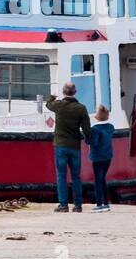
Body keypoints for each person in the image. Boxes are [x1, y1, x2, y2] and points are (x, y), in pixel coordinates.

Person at [45, 82, 92, 213]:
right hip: (75, 146)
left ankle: (63, 205)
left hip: (60, 145)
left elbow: (48, 105)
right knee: (76, 176)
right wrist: (89, 139)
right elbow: (87, 128)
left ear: (64, 92)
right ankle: (78, 205)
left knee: (61, 175)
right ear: (75, 92)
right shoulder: (81, 108)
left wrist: (52, 97)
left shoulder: (59, 106)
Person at [88, 104, 114, 213]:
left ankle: (99, 204)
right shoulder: (110, 127)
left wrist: (86, 137)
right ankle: (106, 202)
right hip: (108, 156)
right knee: (102, 178)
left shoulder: (95, 129)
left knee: (98, 180)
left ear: (97, 116)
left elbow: (93, 142)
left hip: (98, 157)